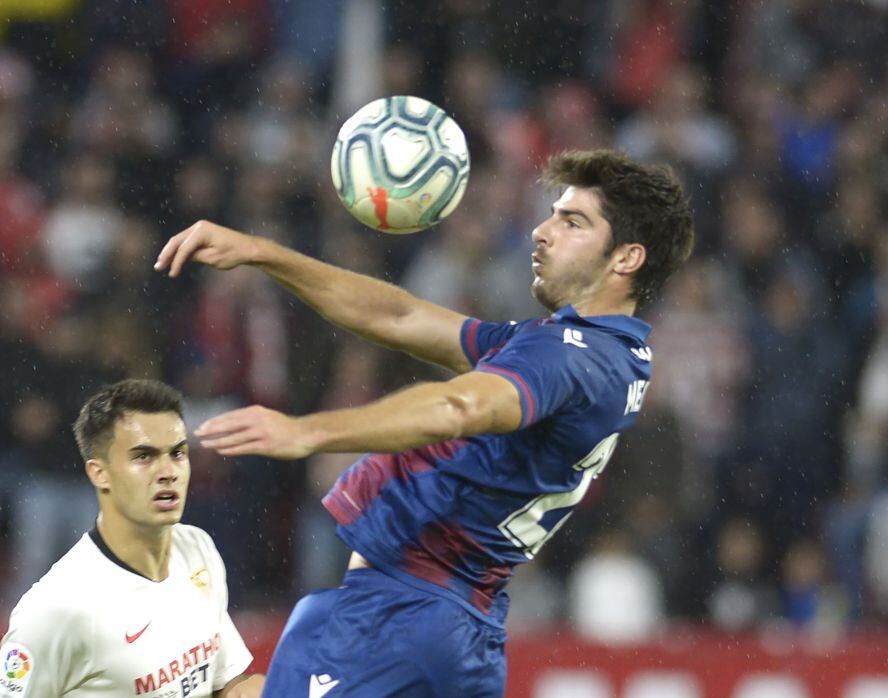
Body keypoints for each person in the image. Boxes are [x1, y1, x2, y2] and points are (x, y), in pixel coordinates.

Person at [155, 149, 695, 697]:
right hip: (447, 622)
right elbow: (401, 316)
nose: (541, 231)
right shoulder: (601, 352)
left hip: (402, 614)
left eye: (572, 221)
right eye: (552, 213)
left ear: (626, 258)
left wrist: (308, 432)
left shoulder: (567, 356)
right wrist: (266, 255)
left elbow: (460, 407)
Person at [0, 379, 265, 697]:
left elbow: (224, 682)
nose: (168, 471)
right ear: (99, 473)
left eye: (178, 453)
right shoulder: (56, 609)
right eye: (144, 457)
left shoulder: (197, 549)